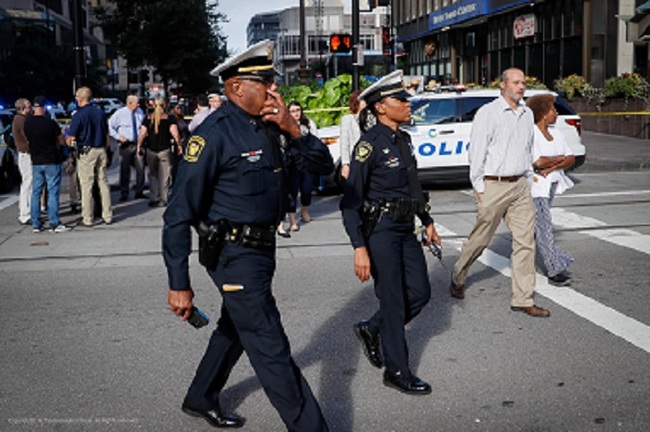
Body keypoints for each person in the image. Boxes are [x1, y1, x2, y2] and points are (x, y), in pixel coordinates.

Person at [162, 40, 332, 431]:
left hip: (262, 249)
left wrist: (293, 129)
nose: (275, 90)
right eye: (266, 82)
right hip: (232, 254)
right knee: (270, 344)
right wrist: (178, 284)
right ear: (237, 88)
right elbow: (177, 214)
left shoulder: (271, 127)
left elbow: (322, 166)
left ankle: (200, 396)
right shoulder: (214, 135)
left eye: (274, 81)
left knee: (236, 326)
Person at [340, 69, 441, 395]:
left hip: (404, 227)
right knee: (394, 301)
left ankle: (372, 327)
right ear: (381, 107)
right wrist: (359, 247)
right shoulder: (368, 146)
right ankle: (397, 371)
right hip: (380, 230)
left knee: (421, 292)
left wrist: (427, 221)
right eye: (401, 100)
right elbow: (350, 201)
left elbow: (413, 188)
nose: (408, 105)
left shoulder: (404, 140)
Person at [449, 68, 550, 318]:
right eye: (516, 83)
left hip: (519, 186)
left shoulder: (527, 113)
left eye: (523, 83)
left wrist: (528, 177)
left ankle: (523, 298)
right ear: (503, 86)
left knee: (526, 241)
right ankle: (458, 275)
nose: (521, 87)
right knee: (480, 240)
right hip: (493, 185)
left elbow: (527, 148)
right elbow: (477, 152)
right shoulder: (488, 113)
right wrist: (480, 188)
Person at [526, 94, 575, 287]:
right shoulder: (531, 133)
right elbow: (537, 162)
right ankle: (554, 268)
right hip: (537, 186)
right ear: (543, 114)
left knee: (536, 227)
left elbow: (571, 157)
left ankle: (522, 255)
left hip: (552, 182)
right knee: (544, 226)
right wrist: (559, 158)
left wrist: (552, 165)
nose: (556, 113)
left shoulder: (556, 131)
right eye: (553, 110)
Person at [66, 86, 113, 227]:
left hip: (86, 151)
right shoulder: (100, 113)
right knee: (103, 183)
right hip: (101, 149)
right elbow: (107, 135)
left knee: (86, 185)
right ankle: (107, 215)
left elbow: (71, 137)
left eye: (76, 97)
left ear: (80, 98)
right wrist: (106, 149)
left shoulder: (78, 115)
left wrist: (68, 142)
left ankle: (88, 217)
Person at [24, 96, 69, 233]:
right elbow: (61, 141)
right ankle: (54, 222)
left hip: (36, 161)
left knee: (36, 192)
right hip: (51, 160)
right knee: (53, 192)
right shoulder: (50, 123)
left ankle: (36, 223)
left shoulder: (28, 123)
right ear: (44, 108)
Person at [137, 98, 180, 207]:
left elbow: (142, 134)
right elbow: (175, 133)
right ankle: (163, 198)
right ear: (164, 105)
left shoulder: (148, 118)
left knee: (153, 174)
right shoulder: (169, 118)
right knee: (165, 175)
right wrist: (179, 145)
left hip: (151, 150)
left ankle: (153, 197)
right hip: (165, 149)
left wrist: (139, 146)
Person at [284, 100, 317, 232]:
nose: (296, 113)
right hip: (292, 162)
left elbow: (315, 142)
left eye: (297, 110)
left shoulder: (308, 124)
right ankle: (292, 220)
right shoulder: (285, 124)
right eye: (292, 111)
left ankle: (304, 211)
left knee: (307, 188)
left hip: (306, 161)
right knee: (292, 190)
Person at [108, 95, 146, 202]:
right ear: (129, 103)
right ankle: (124, 192)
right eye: (136, 103)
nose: (138, 105)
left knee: (140, 168)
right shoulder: (120, 113)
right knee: (125, 169)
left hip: (138, 143)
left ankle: (139, 191)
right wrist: (118, 137)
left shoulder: (139, 112)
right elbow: (110, 126)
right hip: (125, 145)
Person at [12, 98, 33, 225]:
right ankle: (25, 213)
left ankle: (28, 210)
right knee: (28, 183)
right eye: (29, 106)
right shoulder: (21, 120)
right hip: (26, 154)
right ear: (22, 108)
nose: (31, 108)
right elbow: (28, 136)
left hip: (25, 154)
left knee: (28, 182)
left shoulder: (19, 119)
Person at [339, 90, 365, 180]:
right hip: (355, 159)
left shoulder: (371, 118)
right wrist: (345, 164)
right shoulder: (347, 119)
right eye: (363, 100)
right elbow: (344, 143)